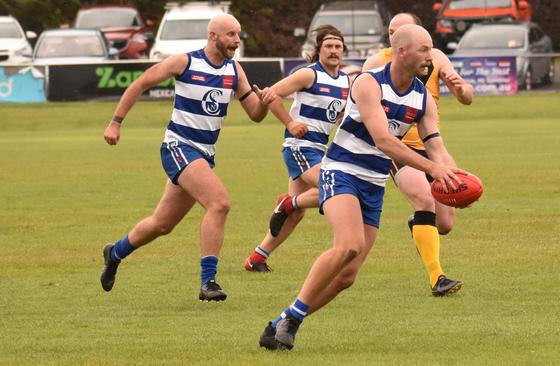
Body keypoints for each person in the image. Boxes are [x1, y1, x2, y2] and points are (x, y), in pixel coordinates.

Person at [259, 24, 466, 351]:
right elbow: (384, 140)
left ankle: (282, 321)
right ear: (402, 52)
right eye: (424, 49)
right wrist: (431, 168)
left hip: (373, 183)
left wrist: (452, 173)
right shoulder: (369, 83)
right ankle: (292, 322)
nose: (431, 56)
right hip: (341, 171)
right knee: (349, 245)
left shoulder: (422, 96)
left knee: (347, 277)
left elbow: (436, 145)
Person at [100, 14, 277, 302]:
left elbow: (255, 115)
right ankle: (209, 282)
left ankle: (115, 252)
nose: (236, 40)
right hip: (178, 146)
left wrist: (266, 104)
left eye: (238, 34)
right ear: (213, 36)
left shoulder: (235, 71)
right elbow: (140, 84)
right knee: (219, 203)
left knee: (162, 224)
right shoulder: (184, 62)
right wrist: (116, 122)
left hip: (204, 155)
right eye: (231, 34)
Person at [362, 13, 474, 297]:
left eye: (401, 30)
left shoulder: (433, 57)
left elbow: (466, 96)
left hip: (431, 144)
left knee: (445, 223)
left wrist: (460, 88)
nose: (394, 36)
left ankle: (419, 224)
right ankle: (438, 278)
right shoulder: (376, 64)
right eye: (391, 31)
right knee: (425, 199)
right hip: (397, 146)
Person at [243, 25, 350, 272]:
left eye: (338, 47)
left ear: (343, 50)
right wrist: (290, 123)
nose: (334, 51)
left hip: (318, 149)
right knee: (333, 188)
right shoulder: (308, 75)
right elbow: (270, 94)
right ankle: (287, 203)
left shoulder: (346, 81)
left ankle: (257, 258)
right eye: (328, 47)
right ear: (319, 50)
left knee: (297, 214)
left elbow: (341, 116)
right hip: (300, 147)